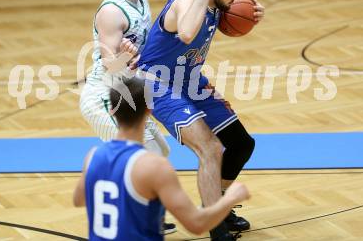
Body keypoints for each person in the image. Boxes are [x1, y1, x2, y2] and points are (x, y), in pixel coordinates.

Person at [138, 0, 264, 240]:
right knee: (210, 149)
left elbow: (232, 14)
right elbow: (185, 32)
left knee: (241, 144)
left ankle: (218, 205)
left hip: (190, 80)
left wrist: (254, 12)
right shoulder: (188, 0)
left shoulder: (216, 0)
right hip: (157, 82)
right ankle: (216, 229)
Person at [73, 77, 250, 240]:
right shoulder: (154, 167)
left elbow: (79, 200)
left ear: (111, 111)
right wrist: (229, 199)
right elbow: (196, 224)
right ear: (149, 110)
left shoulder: (92, 157)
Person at [78, 0, 174, 233]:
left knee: (160, 151)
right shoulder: (110, 13)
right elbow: (112, 66)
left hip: (127, 93)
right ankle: (127, 223)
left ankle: (144, 217)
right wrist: (126, 56)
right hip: (103, 95)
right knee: (139, 158)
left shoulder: (141, 0)